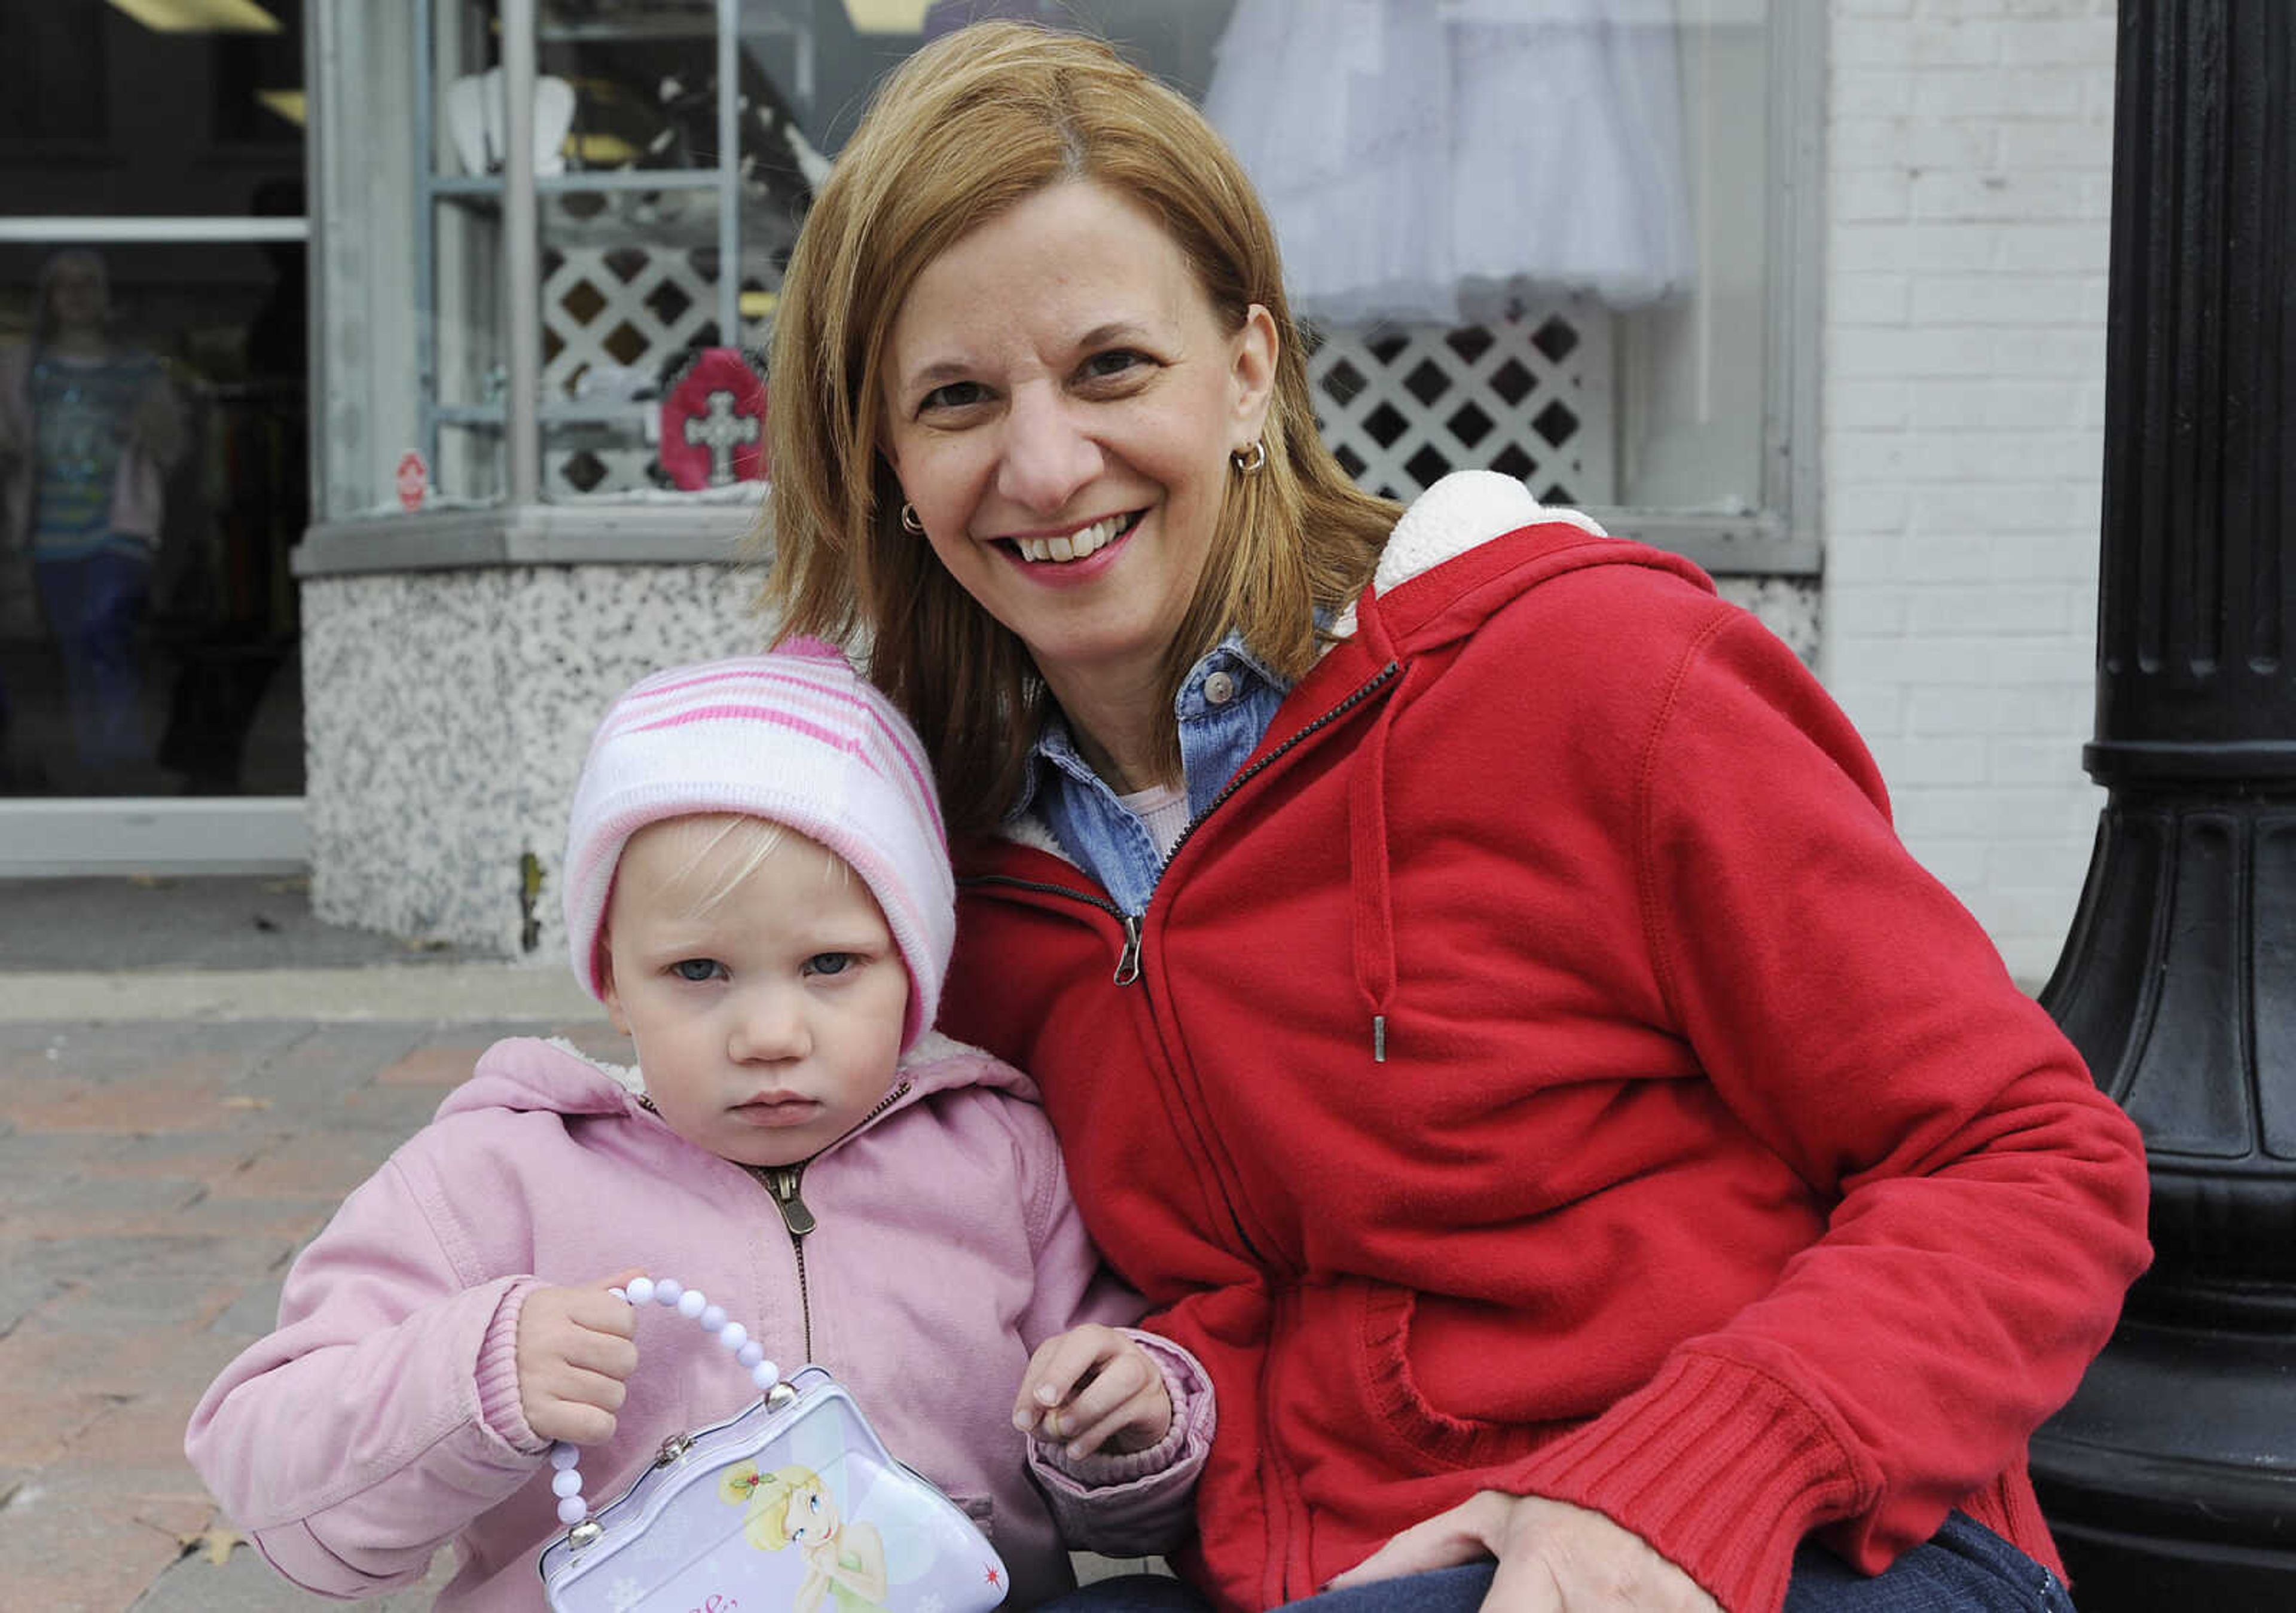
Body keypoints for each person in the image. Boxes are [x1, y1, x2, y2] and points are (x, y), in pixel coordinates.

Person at [756, 21, 2153, 1613]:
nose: (1046, 460)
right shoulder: (949, 878)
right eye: (954, 398)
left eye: (1111, 367)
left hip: (1793, 1542)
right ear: (884, 454)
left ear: (1250, 374)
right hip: (1319, 1571)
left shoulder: (1587, 674)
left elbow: (2031, 1158)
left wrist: (1697, 1475)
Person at [185, 644, 1214, 1611]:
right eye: (698, 971)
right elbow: (271, 1473)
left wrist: (1130, 1425)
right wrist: (474, 1378)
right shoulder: (495, 1173)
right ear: (613, 983)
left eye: (830, 965)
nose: (769, 1033)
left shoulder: (999, 1160)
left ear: (917, 974)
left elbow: (1140, 1490)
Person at [0, 248, 185, 788]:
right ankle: (95, 767)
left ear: (108, 299)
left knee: (103, 633)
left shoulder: (139, 369)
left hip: (118, 529)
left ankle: (119, 763)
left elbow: (173, 449)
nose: (77, 294)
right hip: (46, 536)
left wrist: (155, 425)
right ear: (49, 300)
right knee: (76, 650)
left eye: (89, 284)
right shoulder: (22, 368)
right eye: (65, 285)